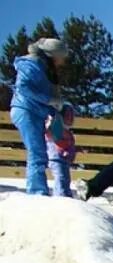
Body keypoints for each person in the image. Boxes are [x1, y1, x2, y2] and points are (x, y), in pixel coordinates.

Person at [11, 38, 68, 196]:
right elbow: (23, 88)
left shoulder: (46, 69)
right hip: (25, 110)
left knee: (40, 151)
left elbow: (49, 96)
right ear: (53, 55)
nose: (62, 62)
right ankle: (37, 192)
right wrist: (49, 100)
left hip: (36, 112)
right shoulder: (31, 64)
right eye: (61, 58)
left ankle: (39, 191)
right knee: (37, 152)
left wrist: (57, 110)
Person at [46, 103, 76, 197]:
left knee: (66, 178)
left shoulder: (68, 133)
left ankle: (66, 194)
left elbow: (70, 145)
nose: (70, 118)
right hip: (56, 158)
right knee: (60, 177)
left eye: (72, 116)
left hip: (65, 160)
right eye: (67, 115)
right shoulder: (56, 127)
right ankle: (61, 195)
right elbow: (50, 135)